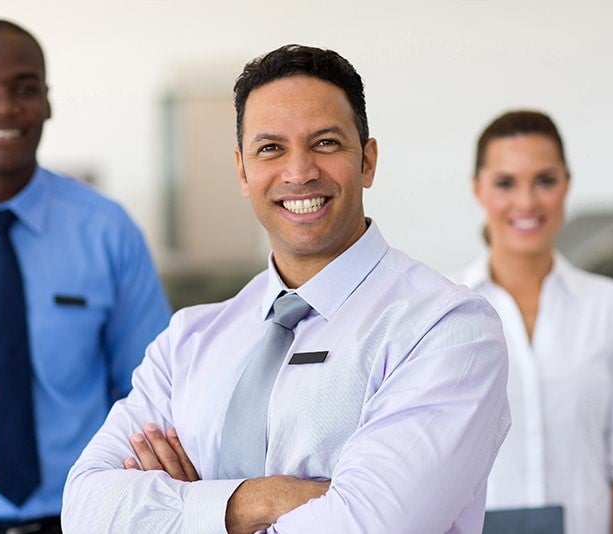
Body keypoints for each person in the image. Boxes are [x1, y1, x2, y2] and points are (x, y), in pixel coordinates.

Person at [62, 44, 511, 533]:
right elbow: (85, 510)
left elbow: (367, 527)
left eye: (325, 143)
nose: (299, 172)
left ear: (367, 161)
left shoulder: (446, 328)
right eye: (271, 148)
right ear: (242, 171)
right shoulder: (189, 341)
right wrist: (259, 500)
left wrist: (186, 508)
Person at [0, 19, 171, 533]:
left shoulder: (107, 231)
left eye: (24, 88)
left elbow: (150, 397)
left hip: (82, 518)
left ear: (48, 102)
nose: (4, 107)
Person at [450, 110, 613, 534]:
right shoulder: (443, 308)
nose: (527, 202)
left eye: (545, 181)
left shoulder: (612, 308)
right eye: (506, 182)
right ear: (478, 189)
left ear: (566, 184)